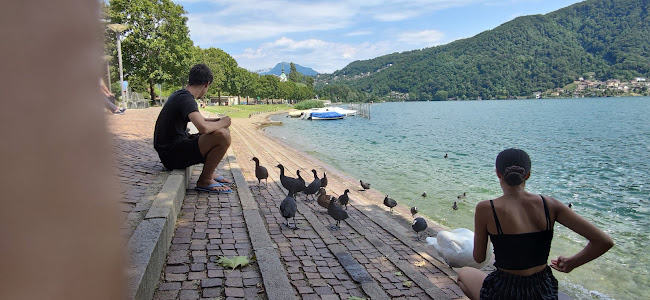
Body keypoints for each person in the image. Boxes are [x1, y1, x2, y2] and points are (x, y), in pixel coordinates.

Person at [457, 148, 613, 300]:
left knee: (464, 274)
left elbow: (479, 258)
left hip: (504, 291)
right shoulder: (550, 205)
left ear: (498, 174)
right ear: (528, 175)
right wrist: (572, 263)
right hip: (542, 290)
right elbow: (604, 241)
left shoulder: (486, 208)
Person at [153, 63, 232, 193]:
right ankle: (205, 180)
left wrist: (219, 122)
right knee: (222, 135)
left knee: (221, 130)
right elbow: (203, 128)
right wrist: (224, 122)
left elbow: (201, 120)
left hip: (171, 149)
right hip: (171, 155)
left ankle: (210, 173)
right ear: (206, 84)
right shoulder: (186, 99)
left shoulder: (181, 95)